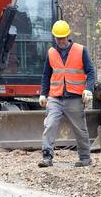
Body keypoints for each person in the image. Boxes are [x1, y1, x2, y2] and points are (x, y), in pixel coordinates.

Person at [38, 20, 95, 168]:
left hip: (75, 97)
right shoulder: (51, 52)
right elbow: (46, 75)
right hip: (55, 96)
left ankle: (85, 157)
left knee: (80, 128)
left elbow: (90, 72)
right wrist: (43, 94)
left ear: (68, 35)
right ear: (55, 37)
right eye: (58, 38)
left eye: (63, 38)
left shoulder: (81, 50)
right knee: (49, 125)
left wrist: (89, 89)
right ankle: (47, 157)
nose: (61, 41)